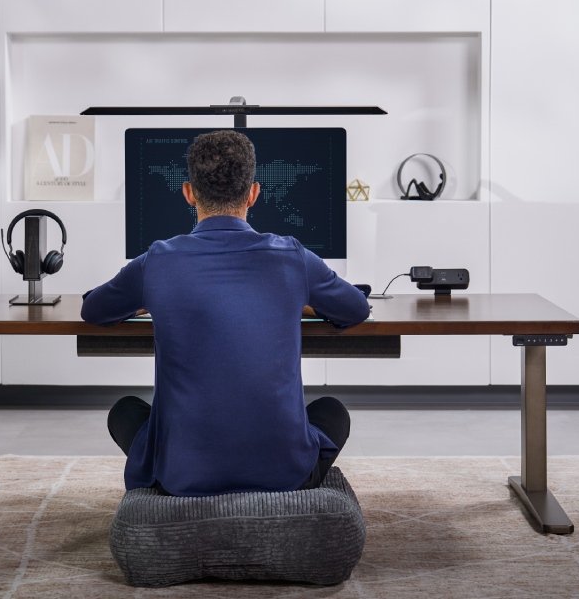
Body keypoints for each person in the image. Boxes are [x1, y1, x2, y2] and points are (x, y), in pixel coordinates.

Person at [81, 130, 370, 497]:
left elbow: (94, 309)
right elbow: (356, 308)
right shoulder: (293, 257)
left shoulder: (156, 261)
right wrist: (302, 297)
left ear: (189, 193)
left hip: (181, 477)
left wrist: (147, 297)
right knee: (332, 410)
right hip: (284, 475)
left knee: (125, 410)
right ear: (253, 193)